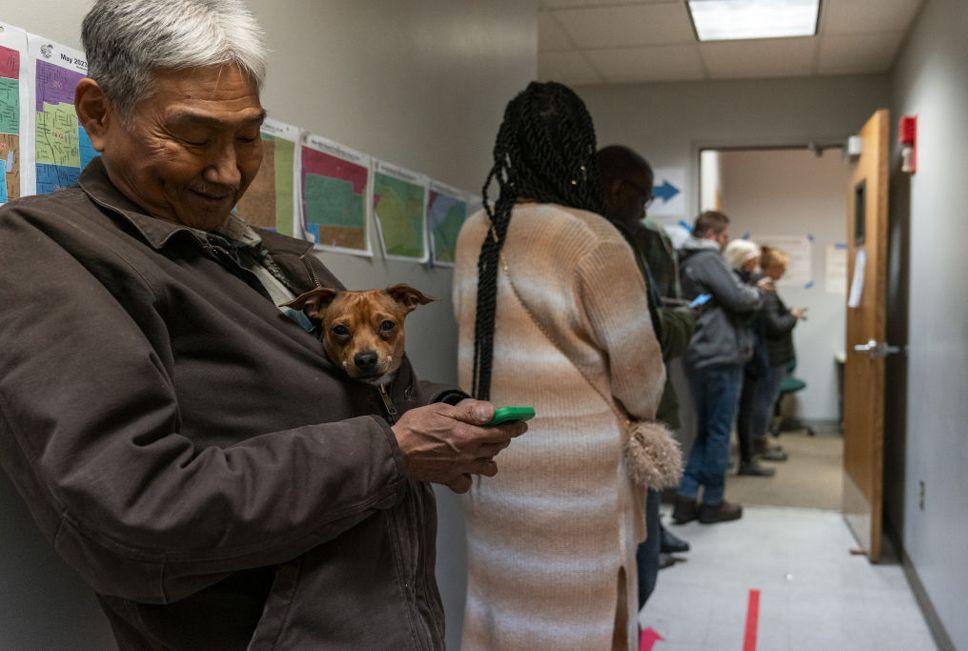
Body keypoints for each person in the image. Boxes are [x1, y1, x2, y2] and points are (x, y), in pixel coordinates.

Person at [0, 1, 526, 648]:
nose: (228, 173)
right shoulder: (44, 250)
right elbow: (131, 509)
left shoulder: (273, 252)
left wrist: (447, 412)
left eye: (248, 137)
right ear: (98, 114)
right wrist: (392, 452)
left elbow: (361, 390)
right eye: (195, 138)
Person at [453, 83, 677, 650]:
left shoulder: (475, 231)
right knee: (589, 612)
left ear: (510, 148)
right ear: (581, 154)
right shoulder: (592, 238)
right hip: (579, 476)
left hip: (497, 455)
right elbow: (640, 376)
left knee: (506, 609)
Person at [596, 145, 695, 609]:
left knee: (642, 569)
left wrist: (655, 324)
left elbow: (659, 328)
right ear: (619, 190)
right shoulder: (596, 243)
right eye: (644, 197)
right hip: (610, 425)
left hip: (638, 420)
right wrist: (673, 324)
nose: (645, 208)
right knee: (627, 574)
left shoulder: (638, 241)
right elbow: (649, 334)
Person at [672, 212, 767, 525]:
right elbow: (739, 299)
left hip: (701, 353)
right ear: (713, 234)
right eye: (725, 235)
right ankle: (713, 502)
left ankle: (686, 499)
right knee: (718, 433)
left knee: (708, 430)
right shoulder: (707, 259)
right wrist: (758, 293)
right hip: (720, 355)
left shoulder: (687, 259)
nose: (727, 241)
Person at [724, 239, 776, 477]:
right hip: (745, 355)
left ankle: (746, 457)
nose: (756, 266)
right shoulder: (738, 286)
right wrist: (760, 294)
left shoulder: (742, 283)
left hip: (750, 354)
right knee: (743, 411)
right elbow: (752, 317)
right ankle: (745, 459)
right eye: (752, 261)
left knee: (745, 409)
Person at [754, 246, 807, 455]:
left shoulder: (767, 287)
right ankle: (760, 443)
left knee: (765, 399)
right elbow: (775, 326)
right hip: (772, 355)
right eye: (781, 268)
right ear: (773, 268)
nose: (783, 273)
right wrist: (793, 316)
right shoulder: (766, 290)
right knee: (765, 401)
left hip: (773, 354)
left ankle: (760, 439)